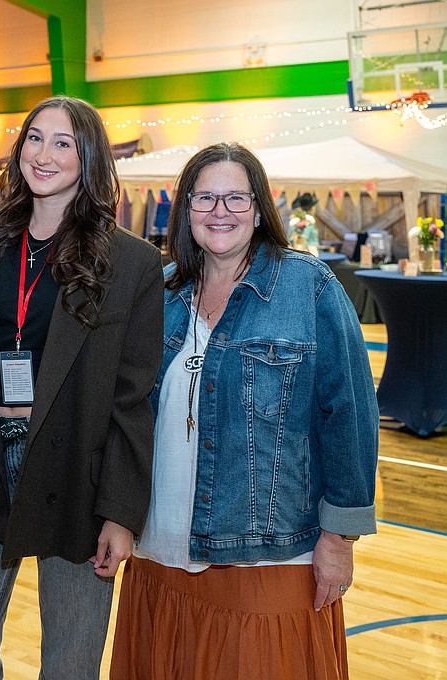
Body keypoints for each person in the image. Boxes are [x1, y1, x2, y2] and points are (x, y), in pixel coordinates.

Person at [110, 142, 379, 680]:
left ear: (259, 209)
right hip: (160, 547)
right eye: (205, 198)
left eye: (236, 198)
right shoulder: (162, 292)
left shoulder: (310, 289)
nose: (220, 212)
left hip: (268, 554)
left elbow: (349, 415)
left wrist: (339, 539)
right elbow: (126, 413)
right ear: (185, 209)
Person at [0, 95, 163, 679]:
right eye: (35, 138)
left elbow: (134, 398)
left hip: (77, 473)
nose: (46, 154)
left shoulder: (132, 262)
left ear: (90, 158)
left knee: (72, 665)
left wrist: (121, 513)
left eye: (65, 143)